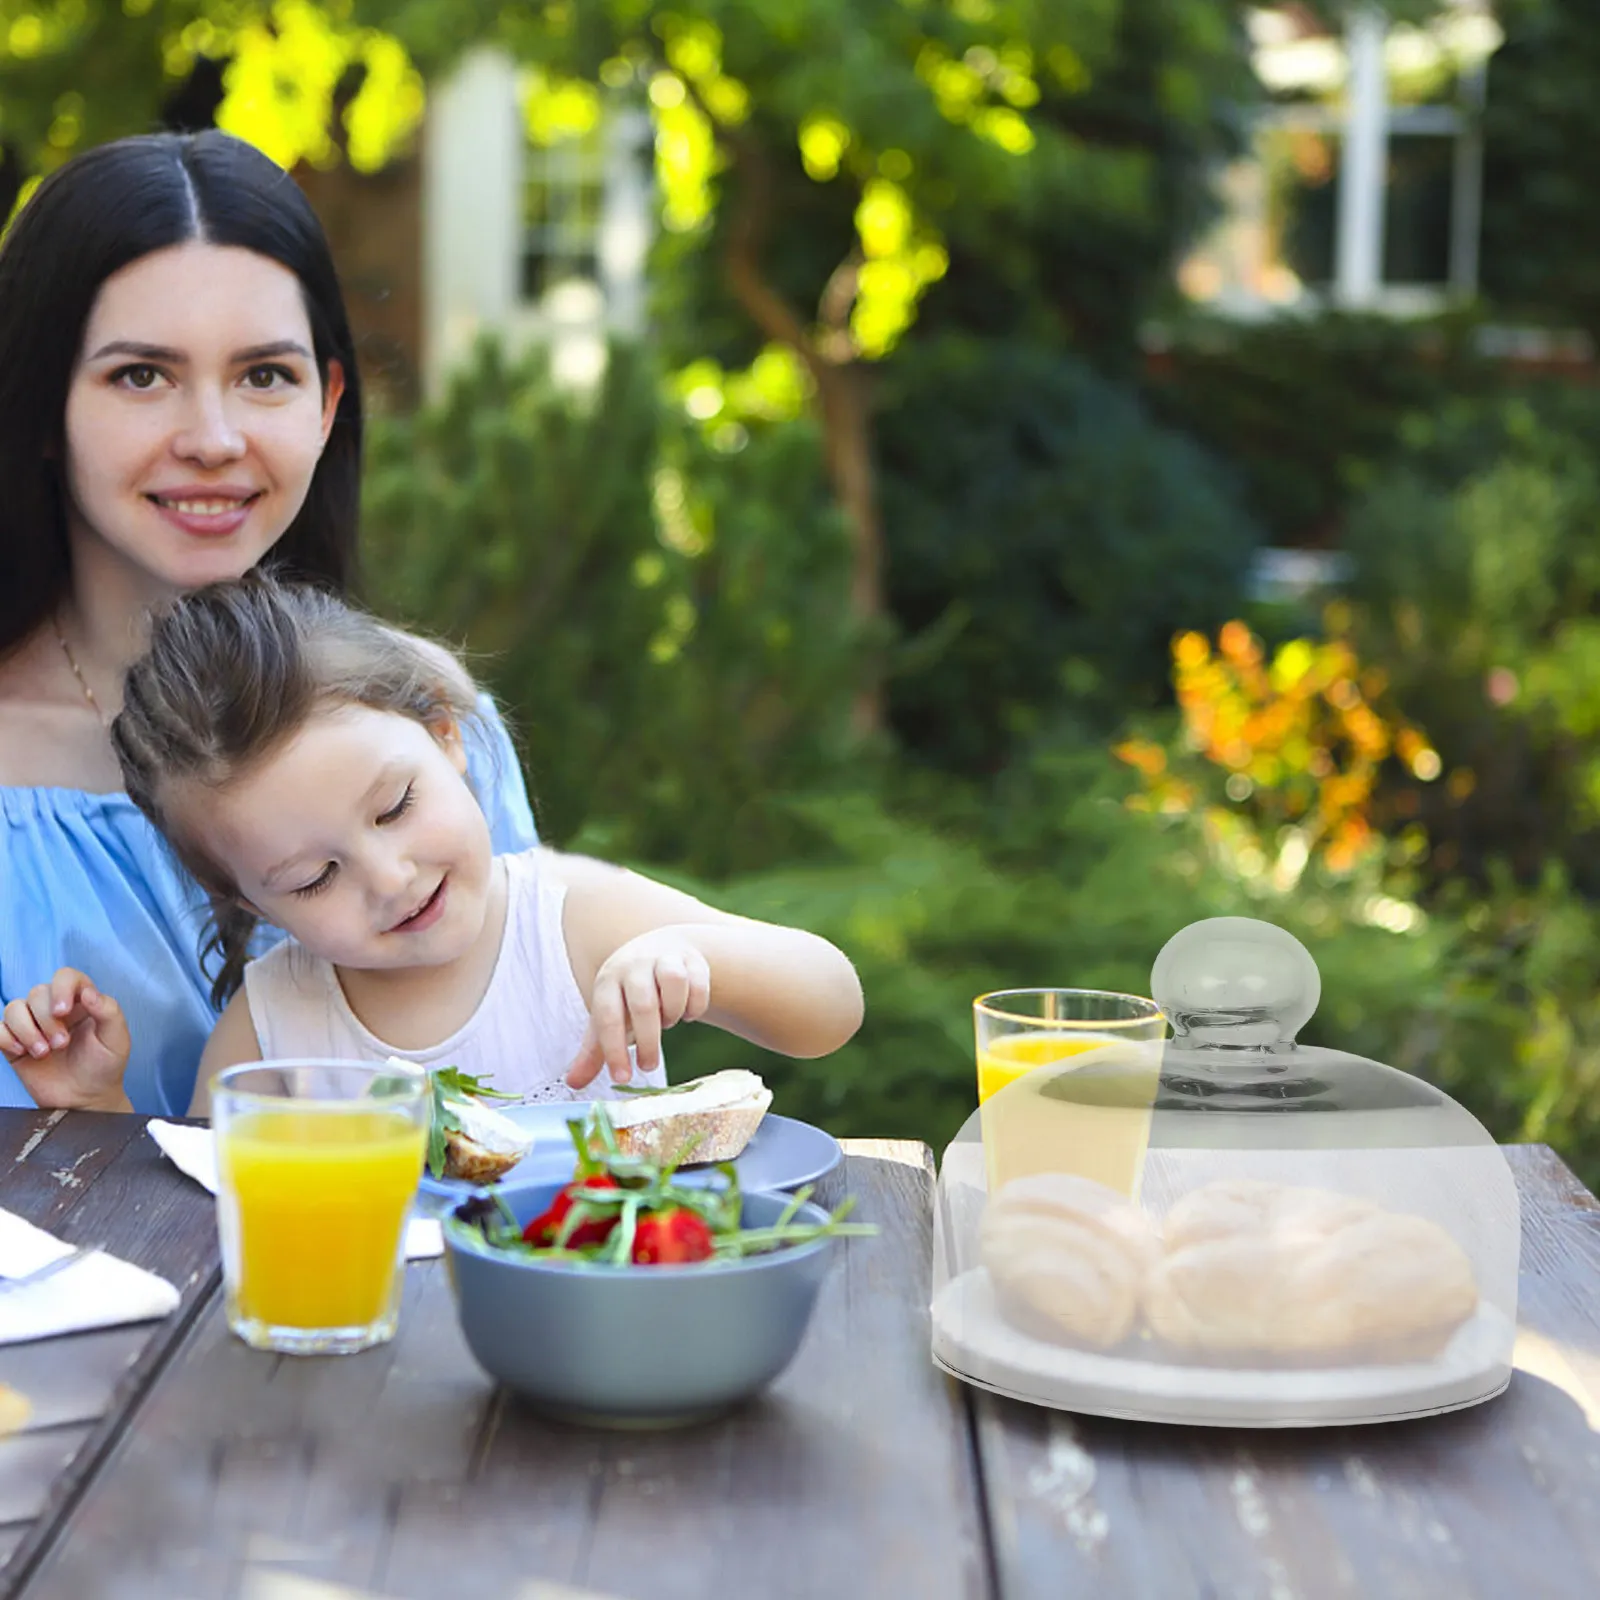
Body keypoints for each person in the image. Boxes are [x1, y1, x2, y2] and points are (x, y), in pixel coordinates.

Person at [0, 131, 536, 1115]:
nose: (213, 438)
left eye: (265, 375)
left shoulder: (426, 720)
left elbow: (533, 1088)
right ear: (39, 408)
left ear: (328, 404)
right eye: (140, 376)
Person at [0, 577, 866, 1113]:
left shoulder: (575, 921)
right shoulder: (273, 1025)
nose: (388, 877)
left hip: (598, 1323)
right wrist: (99, 1104)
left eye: (395, 808)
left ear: (447, 736)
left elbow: (832, 1006)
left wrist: (690, 956)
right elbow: (204, 1211)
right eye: (312, 879)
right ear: (241, 900)